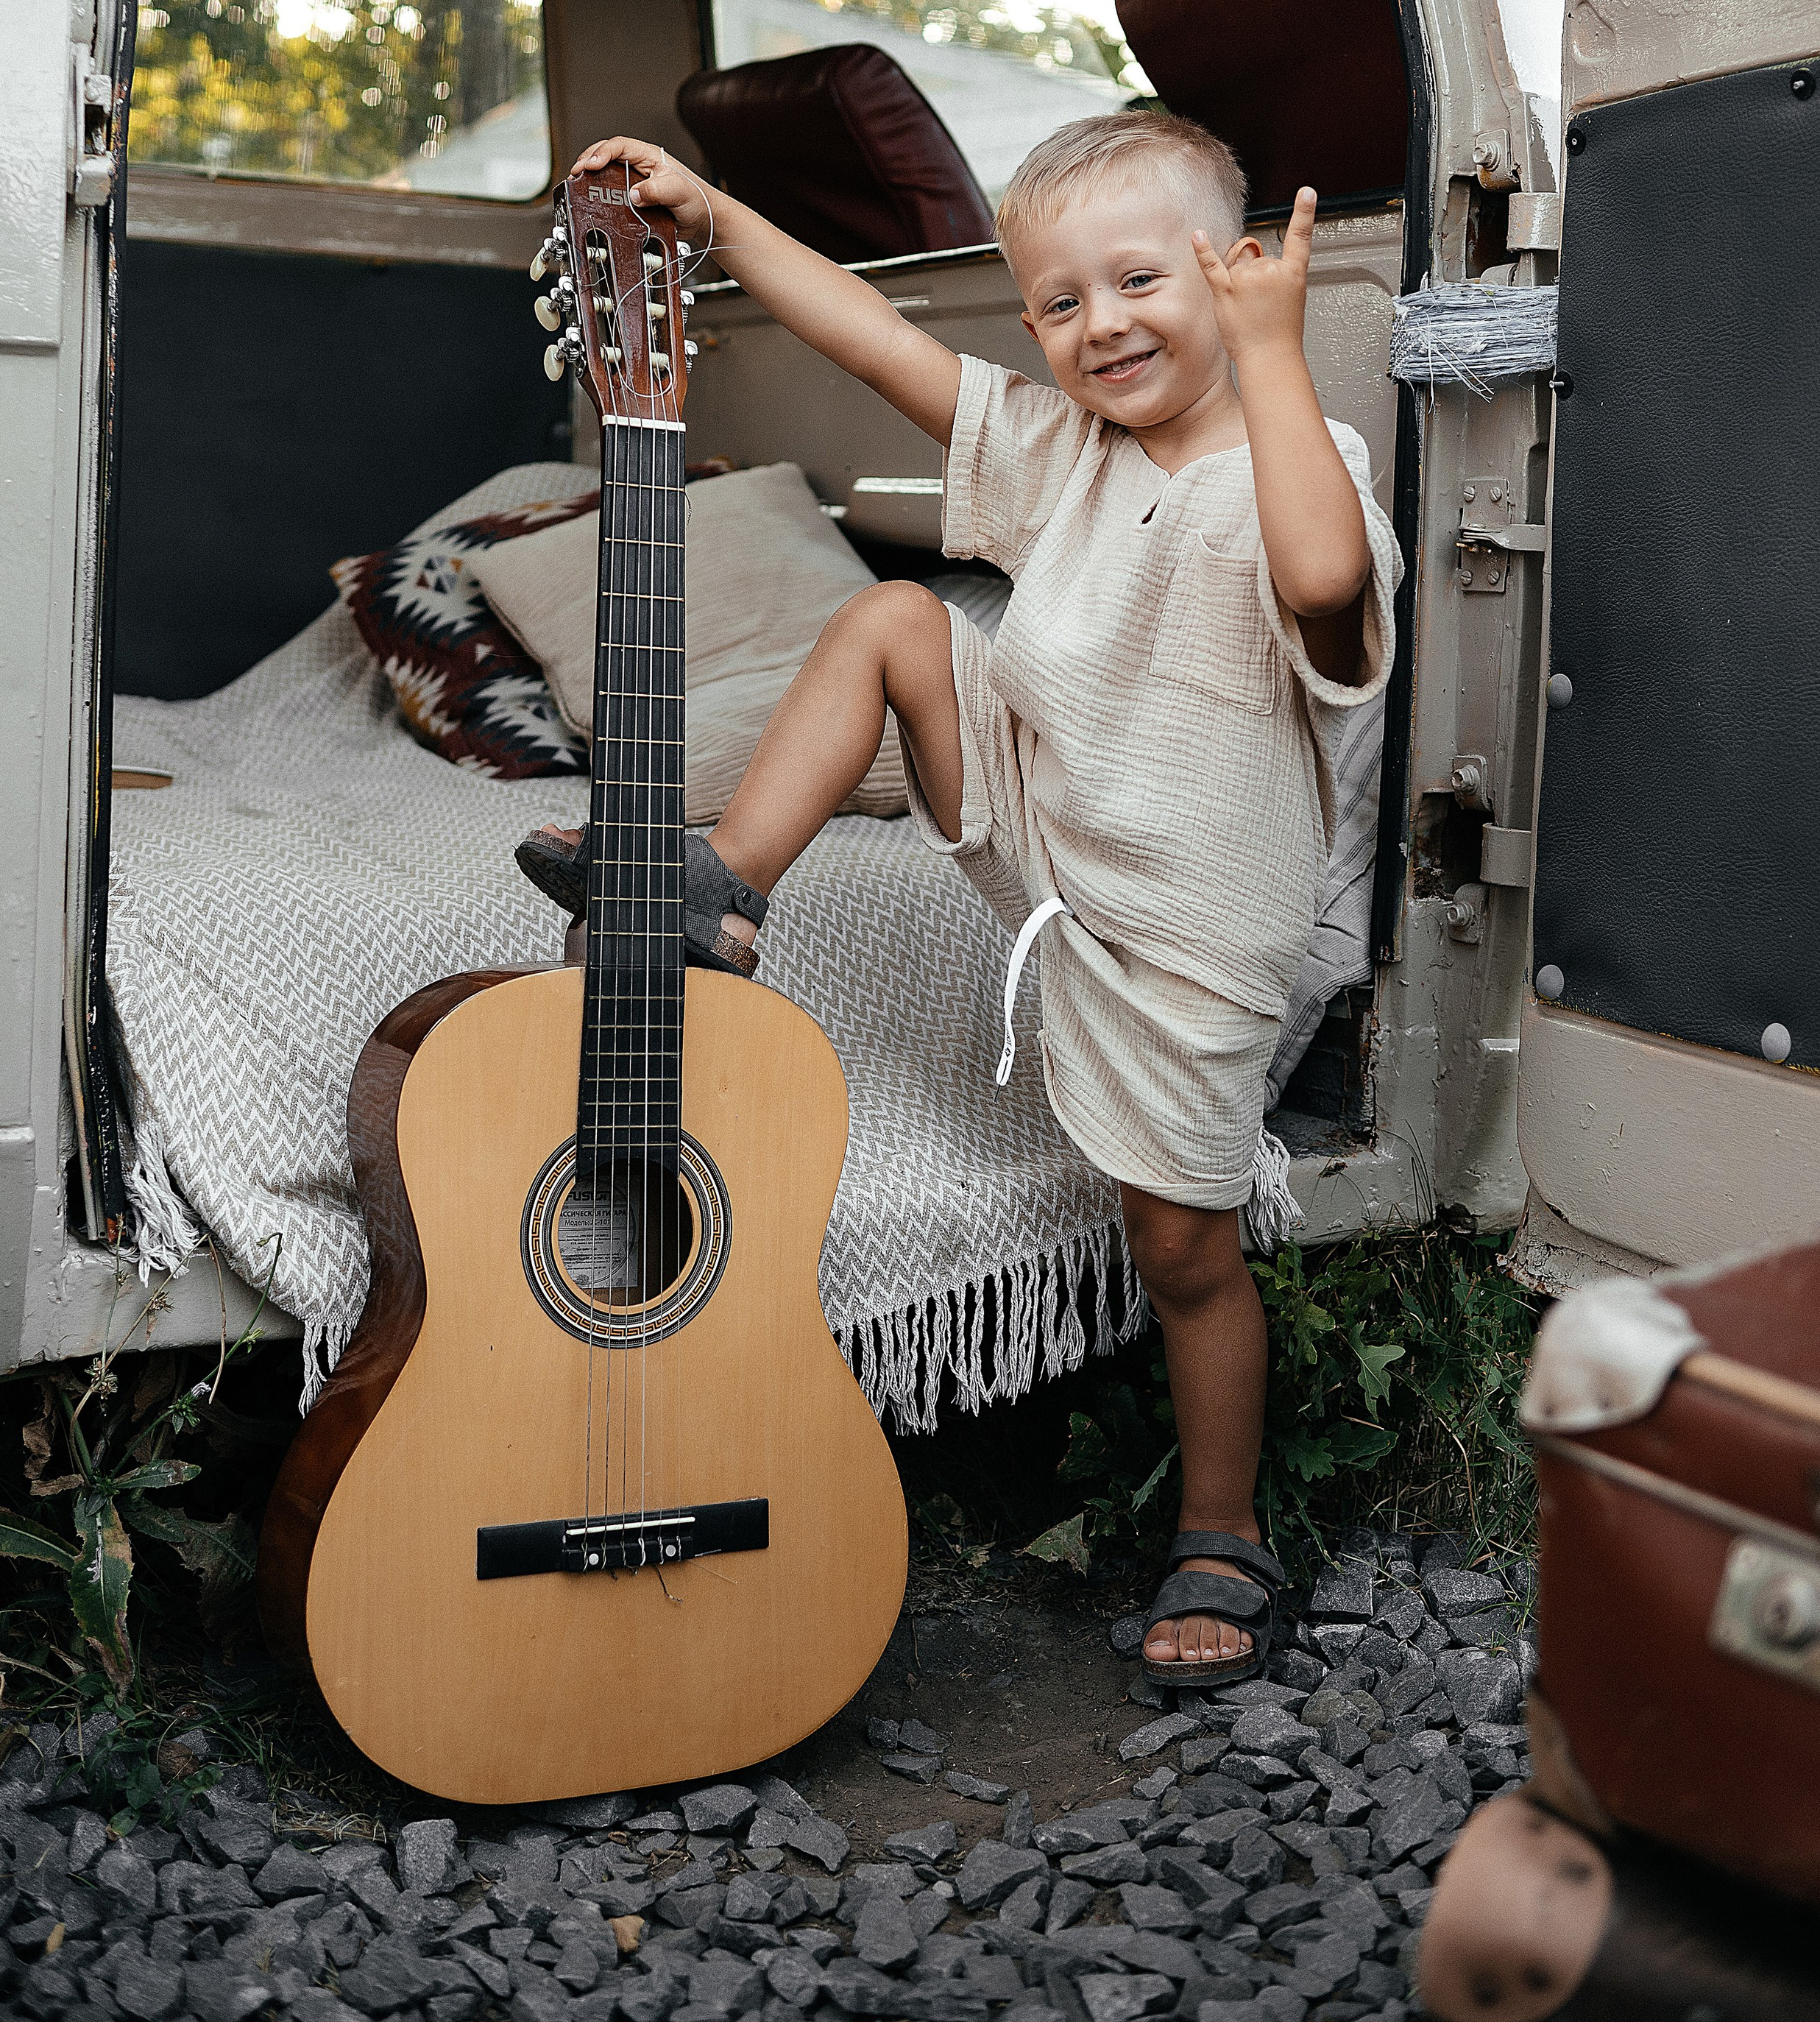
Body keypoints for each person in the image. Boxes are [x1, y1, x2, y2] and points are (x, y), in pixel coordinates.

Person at [518, 109, 1402, 1688]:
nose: (1096, 324)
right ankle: (710, 894)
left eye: (1137, 279)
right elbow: (873, 342)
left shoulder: (1295, 461)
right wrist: (713, 211)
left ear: (1236, 272)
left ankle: (1221, 1523)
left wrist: (1281, 360)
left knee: (1180, 1248)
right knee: (898, 625)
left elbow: (1326, 591)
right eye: (1056, 303)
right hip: (1052, 847)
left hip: (1190, 932)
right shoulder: (1059, 452)